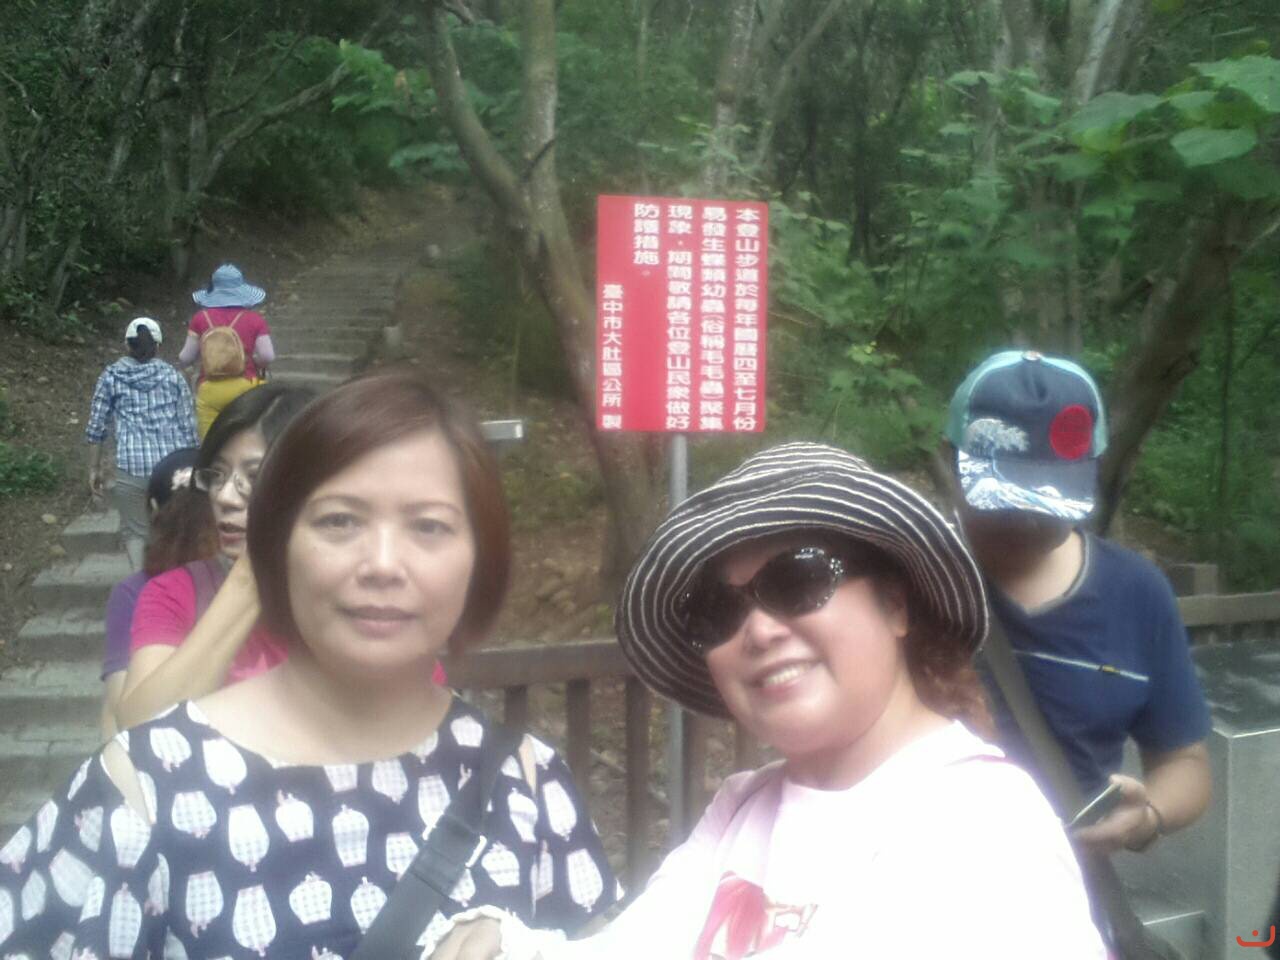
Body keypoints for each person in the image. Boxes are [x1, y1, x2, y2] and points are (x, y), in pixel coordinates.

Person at [0, 371, 617, 957]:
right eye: (339, 521)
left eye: (429, 526)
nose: (382, 564)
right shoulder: (146, 787)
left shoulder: (527, 783)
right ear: (275, 548)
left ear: (481, 561)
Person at [424, 442, 1105, 959]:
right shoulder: (745, 807)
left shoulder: (985, 830)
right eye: (717, 610)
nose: (758, 629)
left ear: (895, 604)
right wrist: (503, 943)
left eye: (799, 580)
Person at [945, 349, 1212, 856]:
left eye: (1046, 500)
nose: (1025, 521)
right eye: (1003, 498)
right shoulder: (909, 575)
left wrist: (1149, 815)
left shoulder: (1137, 593)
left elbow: (1185, 762)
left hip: (1064, 882)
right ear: (948, 461)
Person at [114, 383, 313, 730]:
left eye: (255, 476)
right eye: (217, 475)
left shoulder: (353, 595)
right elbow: (140, 728)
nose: (224, 496)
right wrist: (250, 575)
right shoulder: (173, 593)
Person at [100, 446, 207, 740]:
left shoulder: (133, 592)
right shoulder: (243, 583)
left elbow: (118, 707)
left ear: (153, 508)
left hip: (161, 747)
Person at [86, 316, 198, 570]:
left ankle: (140, 586)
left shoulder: (110, 377)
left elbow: (96, 428)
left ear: (127, 345)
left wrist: (94, 468)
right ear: (158, 346)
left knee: (135, 533)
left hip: (131, 468)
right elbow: (188, 427)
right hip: (170, 470)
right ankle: (172, 584)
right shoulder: (174, 377)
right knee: (172, 530)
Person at [178, 263, 276, 438]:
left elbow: (185, 357)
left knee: (209, 443)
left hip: (209, 387)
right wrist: (254, 361)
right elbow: (268, 356)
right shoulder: (255, 319)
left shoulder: (200, 318)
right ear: (241, 290)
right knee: (244, 439)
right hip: (245, 386)